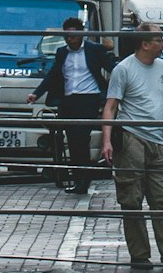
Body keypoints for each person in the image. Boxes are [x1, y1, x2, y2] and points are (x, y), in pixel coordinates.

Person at [100, 30, 163, 270]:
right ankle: (140, 254)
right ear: (145, 44)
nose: (162, 44)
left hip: (156, 139)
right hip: (132, 137)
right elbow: (111, 106)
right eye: (157, 40)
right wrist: (107, 140)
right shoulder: (123, 69)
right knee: (132, 200)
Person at [34, 15, 115, 194]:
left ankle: (83, 181)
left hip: (89, 99)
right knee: (72, 141)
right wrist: (36, 93)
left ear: (82, 34)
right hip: (68, 100)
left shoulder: (94, 50)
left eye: (74, 36)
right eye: (67, 36)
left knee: (81, 139)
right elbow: (53, 74)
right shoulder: (62, 52)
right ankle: (78, 179)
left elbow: (111, 67)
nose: (70, 39)